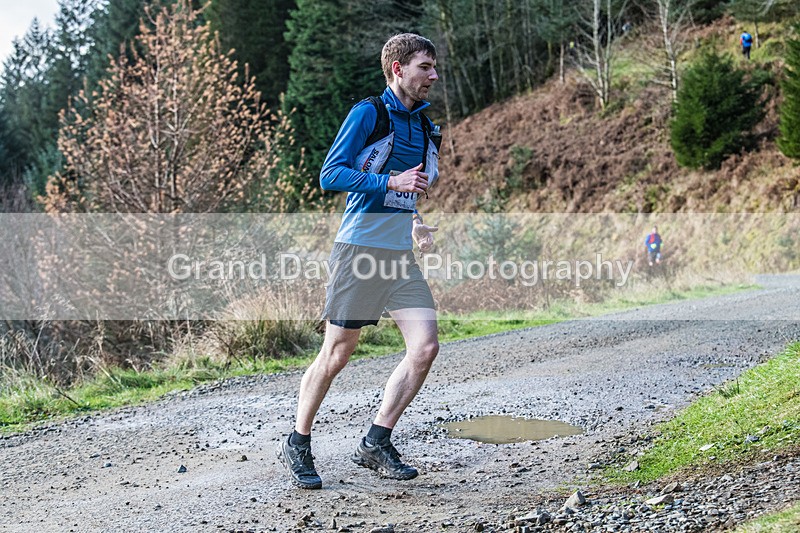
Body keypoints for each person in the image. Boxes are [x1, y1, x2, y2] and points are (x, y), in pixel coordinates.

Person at [277, 33, 442, 490]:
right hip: (359, 252)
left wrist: (415, 223)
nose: (432, 75)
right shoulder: (369, 112)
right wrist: (391, 182)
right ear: (398, 69)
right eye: (424, 67)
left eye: (432, 67)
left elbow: (406, 190)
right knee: (337, 353)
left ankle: (376, 441)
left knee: (425, 347)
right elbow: (332, 174)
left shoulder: (427, 127)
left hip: (399, 257)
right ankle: (298, 440)